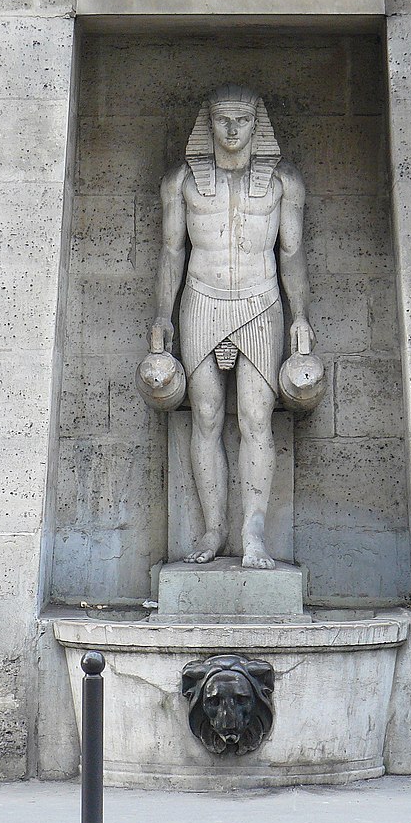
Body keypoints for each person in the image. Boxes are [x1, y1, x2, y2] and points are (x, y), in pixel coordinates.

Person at [150, 86, 314, 570]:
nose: (233, 129)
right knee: (205, 415)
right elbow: (172, 253)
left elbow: (291, 254)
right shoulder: (181, 181)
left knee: (255, 418)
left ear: (257, 124)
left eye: (243, 120)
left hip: (261, 301)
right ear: (209, 123)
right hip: (201, 299)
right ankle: (214, 528)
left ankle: (254, 532)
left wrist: (301, 314)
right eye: (224, 119)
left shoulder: (284, 182)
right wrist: (162, 315)